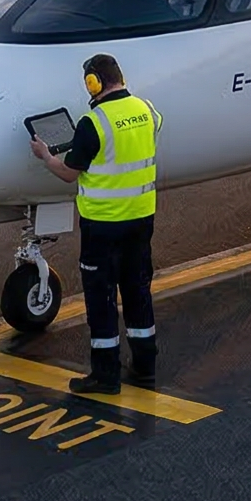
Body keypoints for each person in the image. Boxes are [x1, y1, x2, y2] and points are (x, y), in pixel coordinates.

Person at [30, 53, 161, 393]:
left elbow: (68, 173)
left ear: (93, 83)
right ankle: (145, 365)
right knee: (137, 291)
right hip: (141, 219)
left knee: (101, 298)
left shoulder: (93, 123)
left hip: (103, 225)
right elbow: (155, 126)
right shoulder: (145, 110)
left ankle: (105, 375)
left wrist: (46, 156)